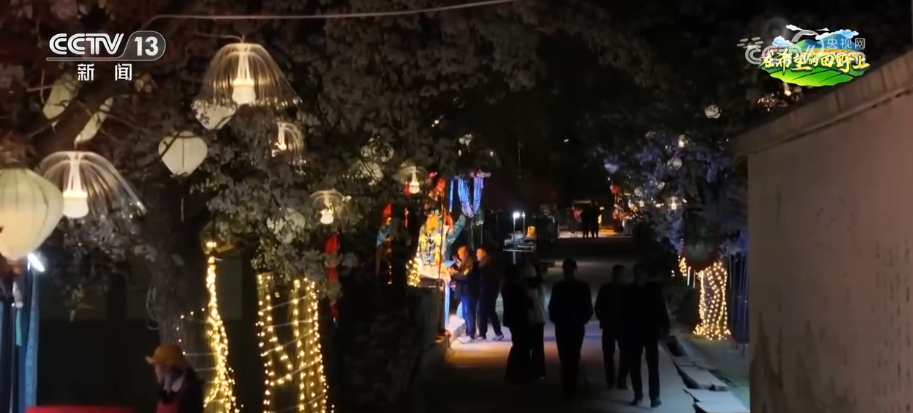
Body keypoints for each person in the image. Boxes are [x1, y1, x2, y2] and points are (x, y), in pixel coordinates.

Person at [620, 264, 670, 408]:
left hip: (650, 331)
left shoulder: (654, 288)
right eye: (636, 274)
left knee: (653, 365)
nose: (639, 276)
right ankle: (638, 395)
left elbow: (661, 307)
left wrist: (665, 326)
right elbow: (623, 311)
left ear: (646, 275)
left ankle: (654, 396)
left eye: (641, 273)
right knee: (634, 365)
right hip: (634, 333)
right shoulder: (629, 289)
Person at [547, 258, 593, 399]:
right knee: (566, 355)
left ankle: (569, 384)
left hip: (573, 325)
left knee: (572, 355)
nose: (567, 272)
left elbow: (588, 307)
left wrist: (582, 319)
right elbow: (552, 306)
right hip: (565, 325)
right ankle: (568, 384)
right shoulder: (561, 287)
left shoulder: (580, 287)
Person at [594, 264, 629, 389]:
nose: (619, 277)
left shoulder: (628, 289)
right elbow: (598, 306)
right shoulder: (606, 289)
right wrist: (603, 318)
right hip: (609, 325)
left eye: (621, 275)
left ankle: (620, 379)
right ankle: (612, 380)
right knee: (609, 354)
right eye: (617, 274)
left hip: (623, 326)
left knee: (625, 354)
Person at [146, 344, 204, 413]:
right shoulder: (168, 390)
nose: (155, 371)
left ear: (168, 368)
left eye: (156, 366)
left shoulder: (189, 392)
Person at [501, 263, 532, 384]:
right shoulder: (516, 288)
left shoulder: (506, 286)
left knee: (518, 345)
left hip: (512, 319)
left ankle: (513, 373)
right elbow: (526, 302)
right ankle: (518, 373)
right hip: (520, 318)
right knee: (521, 346)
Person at [520, 257, 546, 379]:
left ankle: (536, 371)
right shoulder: (537, 287)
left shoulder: (532, 289)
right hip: (536, 319)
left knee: (534, 347)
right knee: (537, 347)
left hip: (534, 319)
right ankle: (537, 371)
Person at [450, 246, 480, 343]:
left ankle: (471, 334)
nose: (459, 256)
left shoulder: (470, 263)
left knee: (469, 313)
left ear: (466, 253)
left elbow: (466, 277)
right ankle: (468, 332)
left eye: (460, 254)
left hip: (469, 291)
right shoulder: (466, 262)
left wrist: (454, 274)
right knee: (465, 313)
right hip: (465, 291)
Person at [476, 247, 504, 341]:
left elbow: (484, 276)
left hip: (487, 291)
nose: (477, 255)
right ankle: (490, 333)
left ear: (484, 253)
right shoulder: (488, 262)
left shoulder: (487, 263)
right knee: (487, 311)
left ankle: (488, 333)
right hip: (490, 291)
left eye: (478, 253)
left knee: (486, 311)